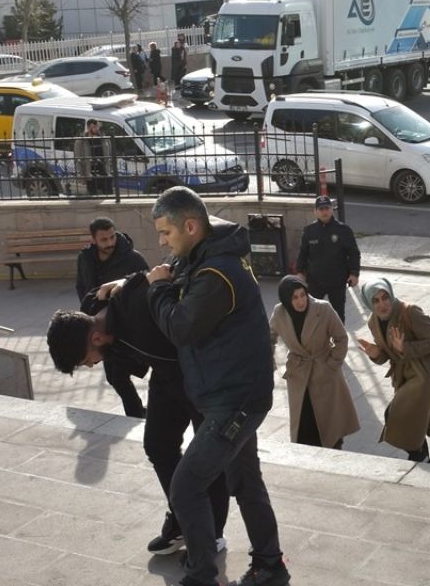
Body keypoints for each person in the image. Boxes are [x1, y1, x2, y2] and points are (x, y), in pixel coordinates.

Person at [145, 186, 289, 586]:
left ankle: (202, 575)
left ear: (190, 226)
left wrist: (156, 289)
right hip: (234, 394)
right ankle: (269, 560)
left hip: (235, 401)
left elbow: (181, 326)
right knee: (244, 480)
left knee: (186, 485)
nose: (161, 243)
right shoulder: (207, 257)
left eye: (166, 234)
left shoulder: (216, 272)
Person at [45, 271, 232, 558]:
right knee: (157, 446)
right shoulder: (96, 309)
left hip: (200, 380)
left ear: (96, 337)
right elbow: (108, 295)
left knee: (206, 459)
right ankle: (182, 520)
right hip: (167, 380)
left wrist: (132, 280)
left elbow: (163, 278)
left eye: (86, 360)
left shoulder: (138, 315)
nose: (92, 365)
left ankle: (210, 535)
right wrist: (120, 283)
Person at [355, 277, 430, 462]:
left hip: (425, 376)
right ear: (368, 303)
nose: (383, 304)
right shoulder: (373, 322)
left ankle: (419, 457)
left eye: (385, 297)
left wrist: (405, 347)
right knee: (411, 422)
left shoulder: (410, 311)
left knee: (395, 414)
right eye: (376, 300)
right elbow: (387, 356)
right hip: (406, 377)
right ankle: (422, 458)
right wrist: (375, 354)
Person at [268, 276, 360, 449]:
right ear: (286, 299)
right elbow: (270, 336)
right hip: (299, 374)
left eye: (302, 294)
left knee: (330, 426)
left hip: (324, 372)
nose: (301, 301)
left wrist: (332, 364)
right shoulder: (280, 312)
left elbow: (341, 338)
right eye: (294, 297)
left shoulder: (322, 308)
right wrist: (269, 357)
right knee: (304, 425)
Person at [74, 217, 150, 415]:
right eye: (104, 240)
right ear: (93, 240)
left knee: (120, 372)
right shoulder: (85, 258)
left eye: (112, 237)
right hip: (100, 325)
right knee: (115, 376)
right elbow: (81, 285)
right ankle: (135, 410)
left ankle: (138, 411)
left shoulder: (133, 258)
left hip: (126, 326)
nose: (110, 243)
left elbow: (146, 285)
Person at [297, 195, 361, 322]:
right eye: (321, 209)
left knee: (338, 316)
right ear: (315, 212)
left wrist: (354, 273)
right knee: (312, 314)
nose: (324, 212)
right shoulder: (309, 231)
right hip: (315, 281)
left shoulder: (344, 230)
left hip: (337, 281)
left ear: (332, 209)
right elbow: (303, 253)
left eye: (326, 208)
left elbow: (354, 253)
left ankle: (339, 341)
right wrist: (300, 272)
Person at [73, 118, 113, 196]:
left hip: (104, 173)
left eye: (96, 127)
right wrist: (81, 175)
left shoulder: (105, 140)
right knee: (93, 197)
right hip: (90, 174)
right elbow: (78, 160)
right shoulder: (80, 142)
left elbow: (110, 156)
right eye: (92, 127)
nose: (95, 129)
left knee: (109, 196)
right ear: (88, 128)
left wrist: (110, 170)